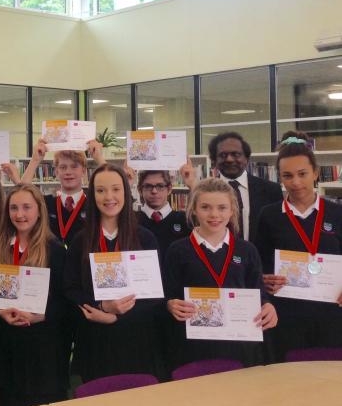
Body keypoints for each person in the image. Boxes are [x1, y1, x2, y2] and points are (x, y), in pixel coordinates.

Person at [164, 177, 278, 368]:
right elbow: (167, 295)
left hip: (239, 347)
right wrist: (170, 305)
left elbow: (259, 293)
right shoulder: (177, 250)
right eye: (206, 207)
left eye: (222, 208)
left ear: (232, 210)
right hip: (193, 348)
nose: (214, 214)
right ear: (193, 209)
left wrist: (268, 306)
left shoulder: (247, 250)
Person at [65, 163, 163, 382]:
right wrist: (101, 306)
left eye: (116, 189)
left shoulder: (145, 238)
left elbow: (155, 296)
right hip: (95, 342)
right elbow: (70, 289)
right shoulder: (81, 240)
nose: (109, 197)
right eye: (100, 190)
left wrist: (115, 318)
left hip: (136, 341)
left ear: (126, 193)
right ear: (93, 195)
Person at [0, 184, 73, 406]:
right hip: (9, 348)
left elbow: (67, 301)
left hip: (43, 350)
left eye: (26, 207)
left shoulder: (55, 249)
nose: (19, 214)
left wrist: (43, 315)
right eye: (13, 208)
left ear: (40, 211)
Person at [254, 131, 342, 362]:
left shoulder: (337, 213)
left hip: (332, 312)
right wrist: (265, 278)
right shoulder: (269, 215)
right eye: (287, 175)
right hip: (287, 313)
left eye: (302, 174)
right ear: (280, 178)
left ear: (315, 172)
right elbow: (259, 264)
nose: (296, 182)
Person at [192, 132, 282, 242]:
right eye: (223, 155)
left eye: (236, 154)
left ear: (247, 159)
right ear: (214, 161)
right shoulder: (203, 192)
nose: (229, 159)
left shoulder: (271, 190)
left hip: (257, 258)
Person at [22, 139, 105, 250]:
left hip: (83, 265)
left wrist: (99, 159)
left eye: (74, 166)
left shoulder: (94, 204)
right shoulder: (46, 204)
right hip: (52, 264)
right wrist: (35, 160)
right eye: (63, 167)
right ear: (56, 172)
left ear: (84, 171)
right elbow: (21, 194)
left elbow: (118, 190)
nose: (68, 172)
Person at [137, 170, 191, 256]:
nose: (154, 191)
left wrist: (193, 184)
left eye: (160, 186)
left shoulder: (185, 219)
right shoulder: (131, 220)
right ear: (140, 190)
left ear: (169, 189)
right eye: (148, 186)